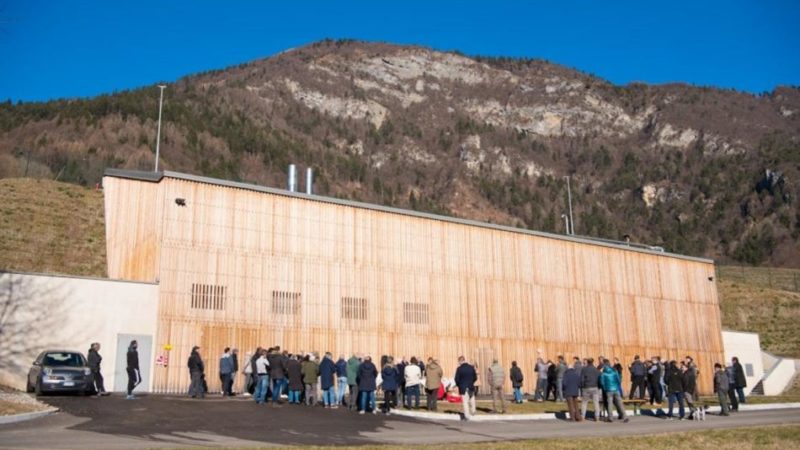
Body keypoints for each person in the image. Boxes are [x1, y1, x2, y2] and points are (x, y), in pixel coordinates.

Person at [454, 356, 477, 421]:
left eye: (459, 362)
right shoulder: (471, 368)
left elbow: (456, 379)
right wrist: (472, 382)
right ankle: (473, 410)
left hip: (463, 387)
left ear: (460, 361)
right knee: (472, 398)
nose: (458, 363)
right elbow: (475, 377)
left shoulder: (459, 369)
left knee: (465, 402)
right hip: (471, 386)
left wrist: (459, 385)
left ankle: (467, 416)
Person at [580, 357, 601, 421]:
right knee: (596, 402)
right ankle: (597, 417)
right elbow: (599, 378)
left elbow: (582, 379)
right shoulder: (596, 369)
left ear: (587, 362)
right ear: (593, 362)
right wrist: (598, 386)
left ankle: (582, 416)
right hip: (595, 387)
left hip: (586, 387)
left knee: (584, 402)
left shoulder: (584, 369)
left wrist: (582, 386)